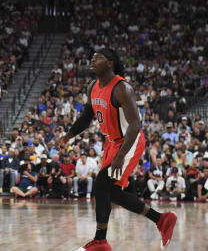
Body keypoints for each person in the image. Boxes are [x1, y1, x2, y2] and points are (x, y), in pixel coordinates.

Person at [59, 49, 177, 251]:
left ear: (110, 62)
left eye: (98, 57)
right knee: (110, 191)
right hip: (111, 143)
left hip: (129, 141)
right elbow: (87, 117)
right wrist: (69, 135)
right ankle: (161, 219)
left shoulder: (122, 88)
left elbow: (135, 124)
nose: (93, 59)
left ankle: (100, 241)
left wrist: (121, 155)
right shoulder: (92, 87)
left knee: (101, 184)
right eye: (92, 56)